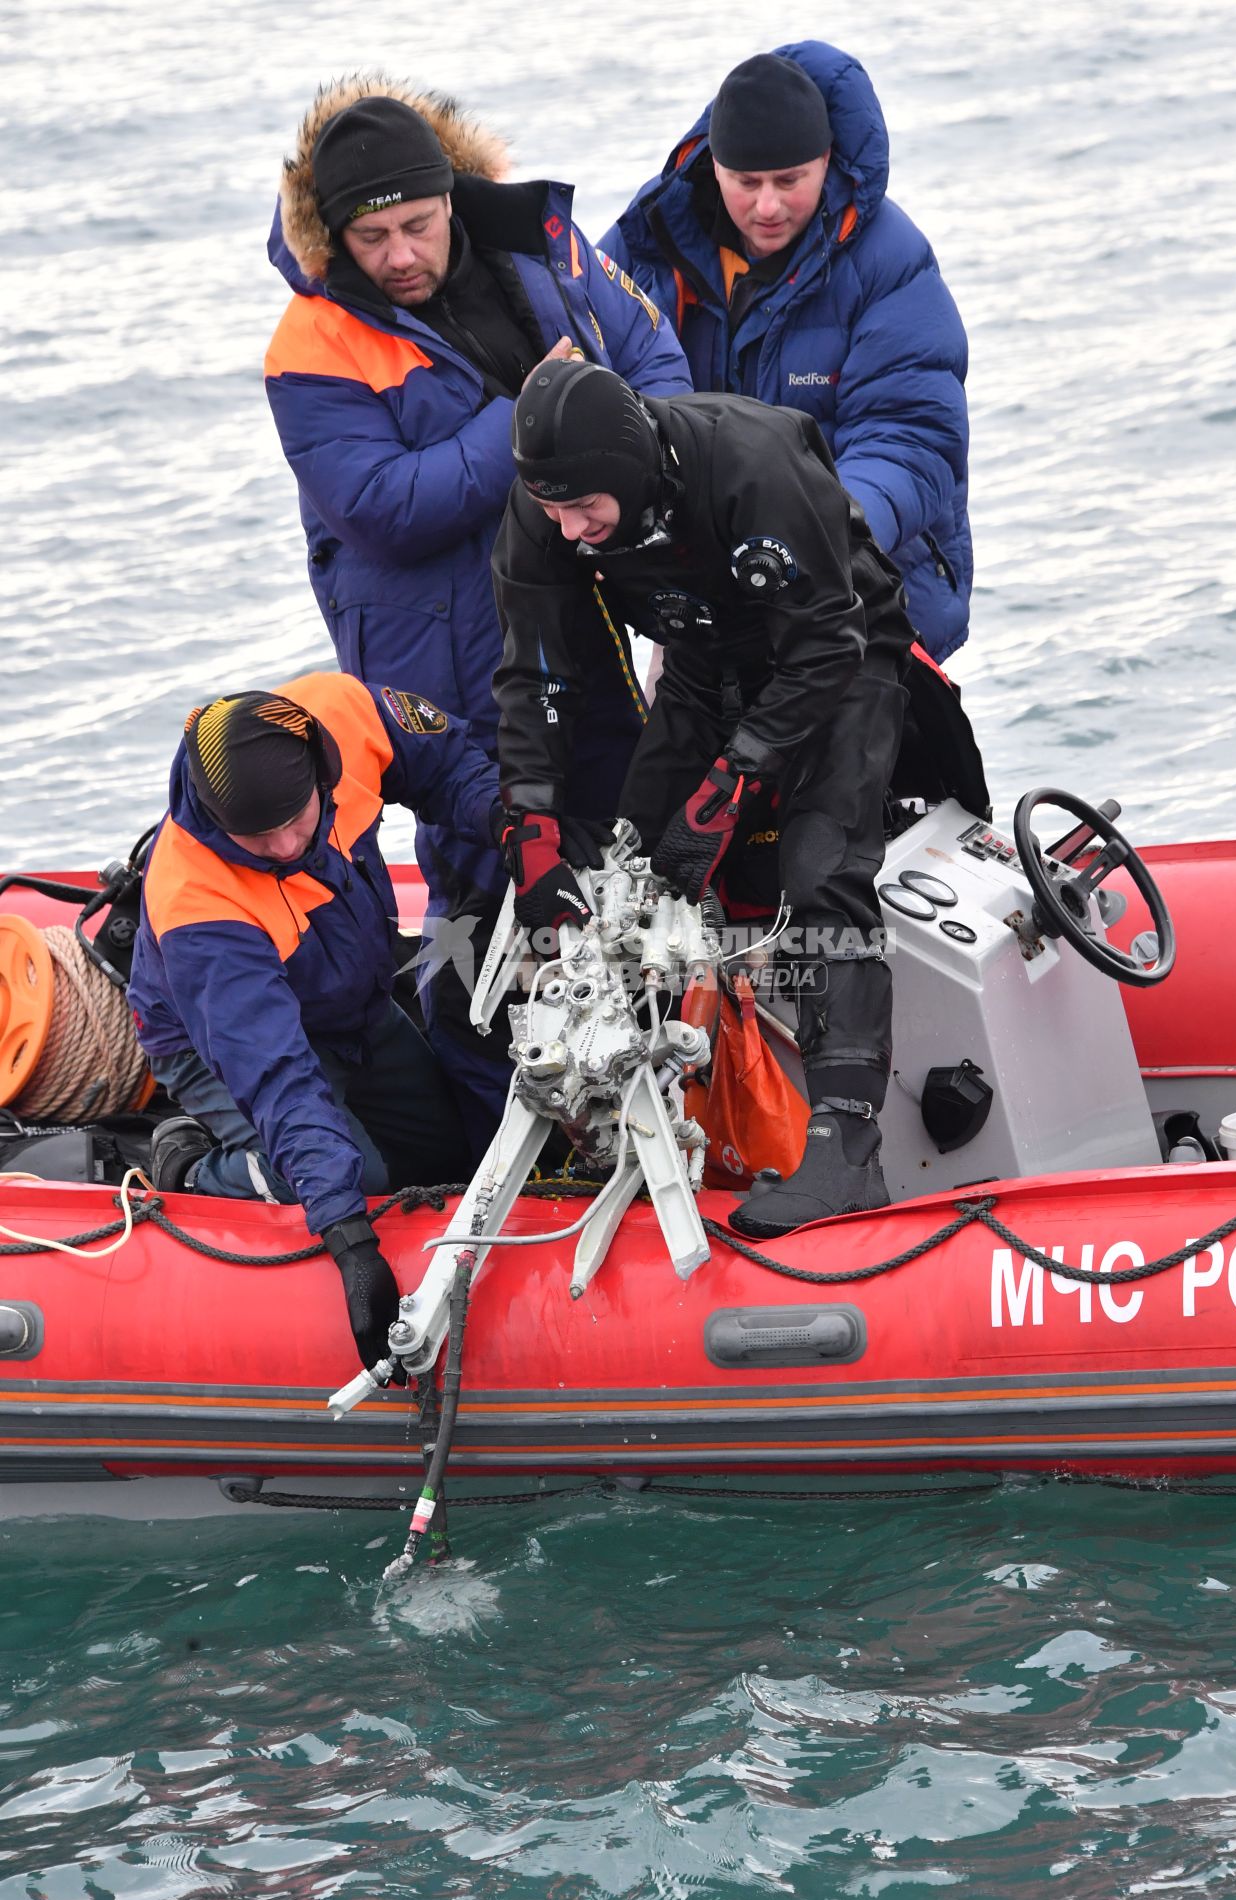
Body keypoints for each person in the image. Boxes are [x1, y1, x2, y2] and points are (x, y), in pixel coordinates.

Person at [264, 80, 692, 1132]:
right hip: (444, 658)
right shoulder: (310, 344)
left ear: (451, 196)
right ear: (336, 234)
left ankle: (643, 1095)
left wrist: (616, 453)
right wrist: (537, 413)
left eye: (417, 224)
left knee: (625, 841)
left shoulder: (545, 247)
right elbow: (382, 507)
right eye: (372, 237)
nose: (400, 254)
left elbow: (656, 370)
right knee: (487, 879)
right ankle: (486, 1126)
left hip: (583, 611)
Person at [490, 361, 986, 1237]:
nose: (568, 532)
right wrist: (529, 824)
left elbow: (827, 644)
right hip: (701, 665)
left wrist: (731, 788)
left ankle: (847, 1147)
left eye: (583, 511)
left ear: (630, 472)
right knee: (626, 870)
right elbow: (536, 678)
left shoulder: (752, 461)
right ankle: (614, 1117)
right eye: (553, 511)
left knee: (819, 867)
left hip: (841, 654)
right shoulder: (548, 513)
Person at [127, 674, 500, 1374]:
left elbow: (448, 765)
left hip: (350, 1006)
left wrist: (513, 827)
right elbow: (279, 1076)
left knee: (451, 1148)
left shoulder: (345, 713)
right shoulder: (198, 904)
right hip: (219, 1042)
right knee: (358, 1174)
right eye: (255, 835)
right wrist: (352, 1242)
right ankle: (190, 1166)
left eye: (295, 821)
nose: (281, 846)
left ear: (323, 771)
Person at [600, 42, 972, 666]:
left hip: (860, 593)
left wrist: (819, 538)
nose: (766, 206)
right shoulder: (648, 241)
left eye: (790, 181)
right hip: (706, 603)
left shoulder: (892, 262)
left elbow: (910, 436)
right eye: (746, 182)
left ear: (826, 161)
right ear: (714, 165)